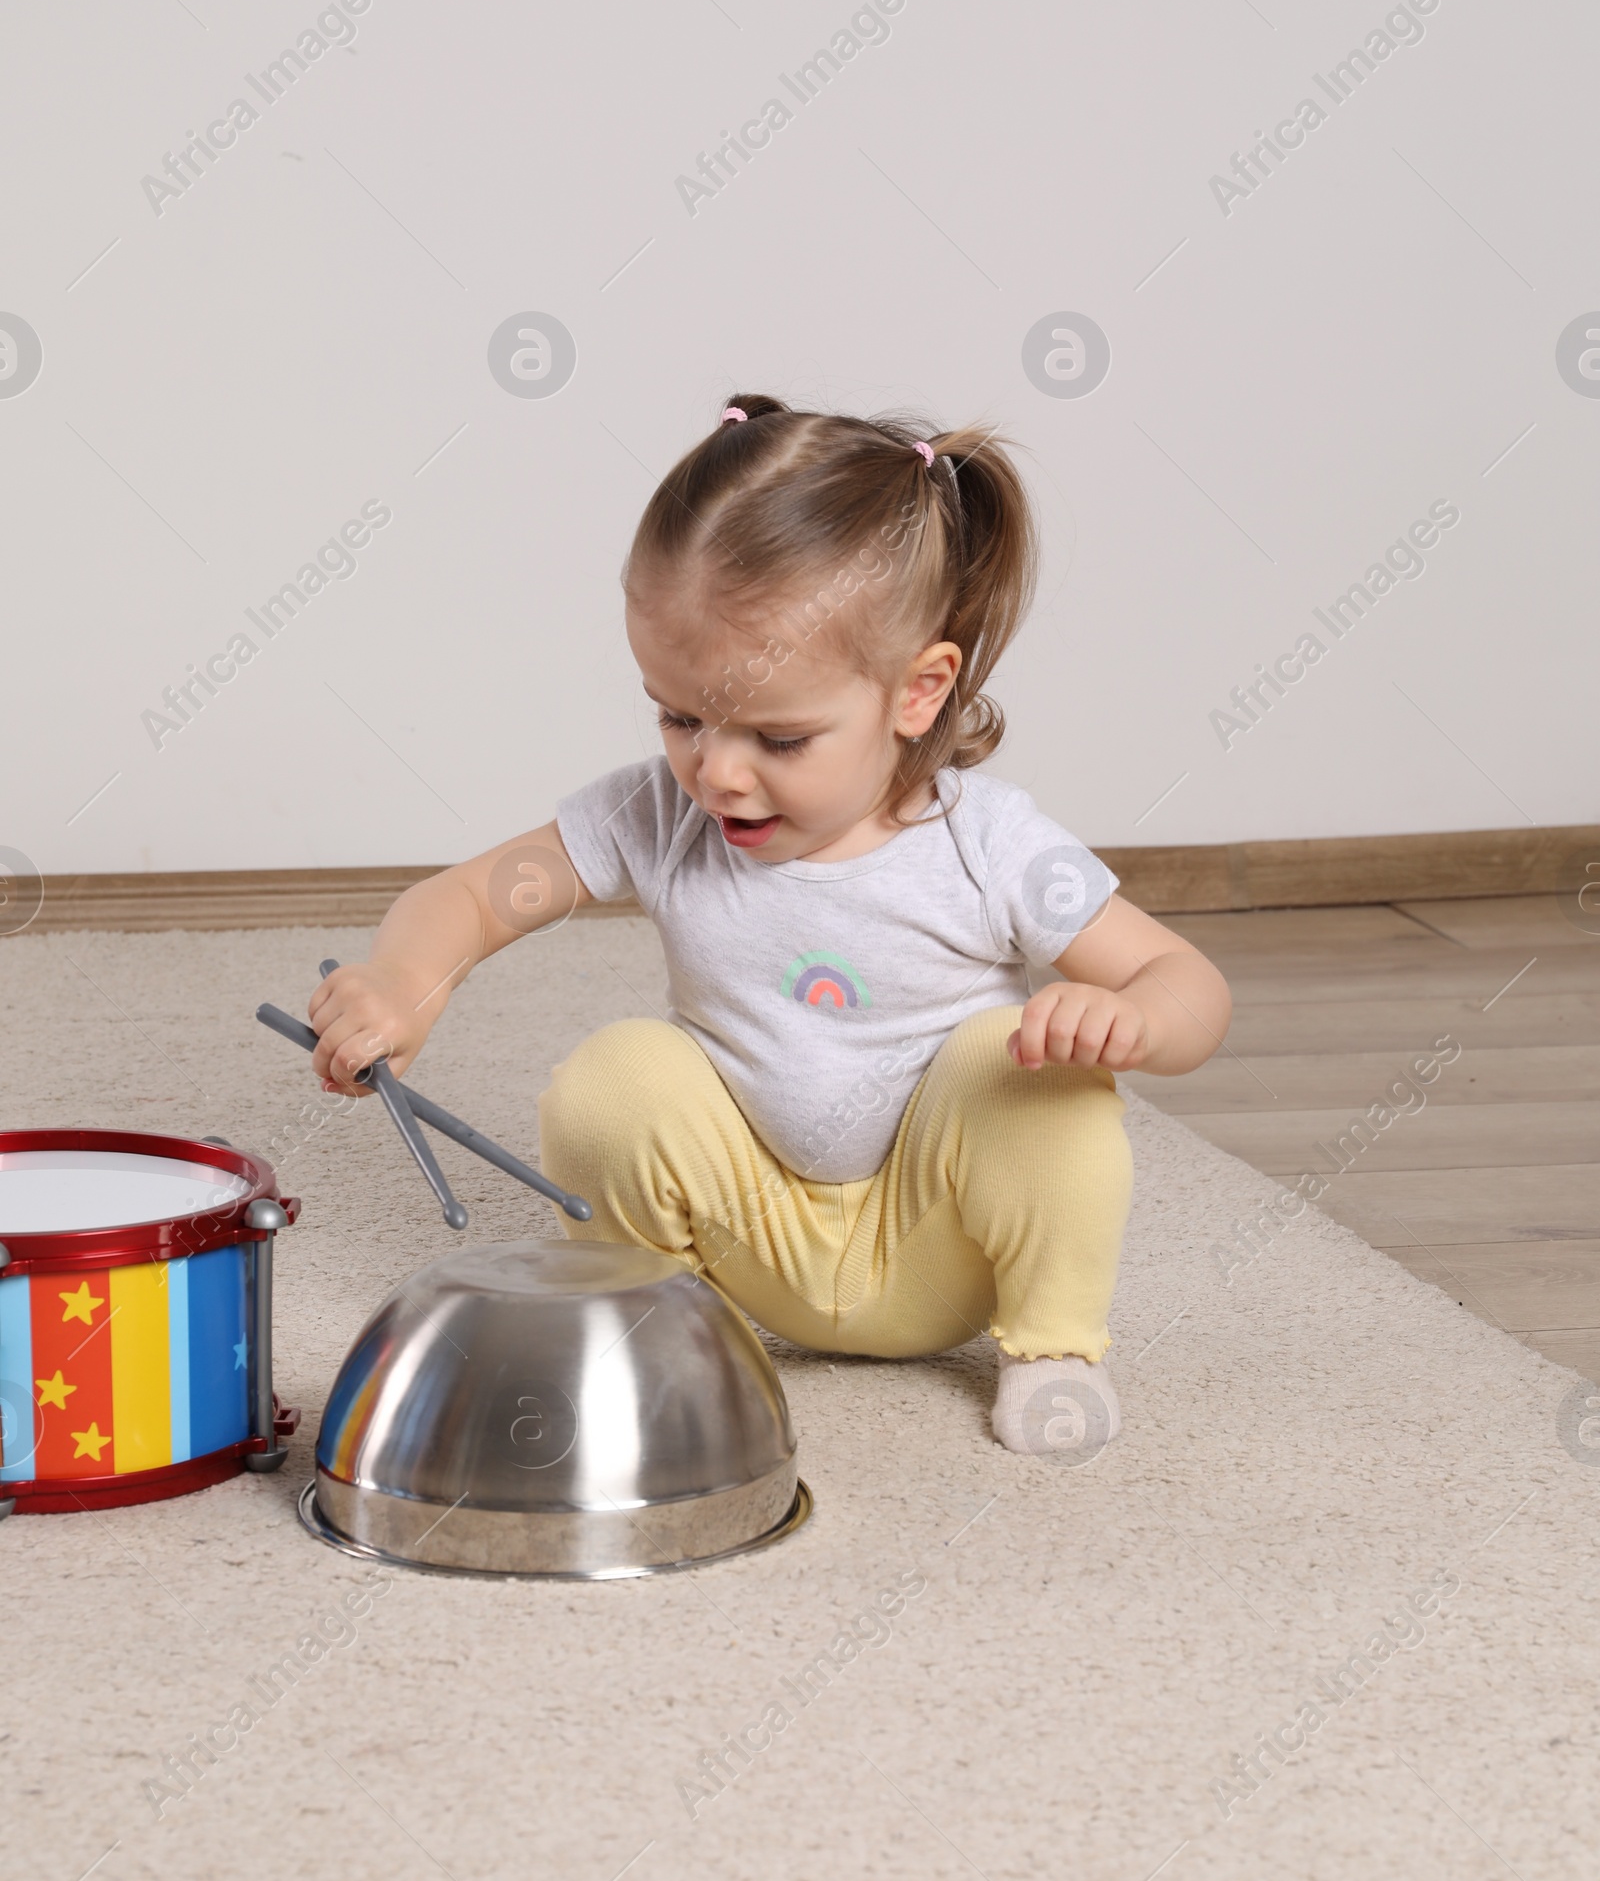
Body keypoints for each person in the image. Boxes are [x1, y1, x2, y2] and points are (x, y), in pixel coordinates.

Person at [307, 394, 1231, 1454]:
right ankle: (655, 1325)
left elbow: (1183, 980)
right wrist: (403, 981)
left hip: (935, 1243)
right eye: (680, 716)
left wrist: (1131, 1023)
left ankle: (1052, 1350)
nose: (718, 772)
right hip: (746, 1239)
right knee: (619, 1075)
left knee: (1024, 1072)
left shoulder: (994, 844)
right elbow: (468, 896)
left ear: (917, 693)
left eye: (779, 738)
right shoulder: (657, 812)